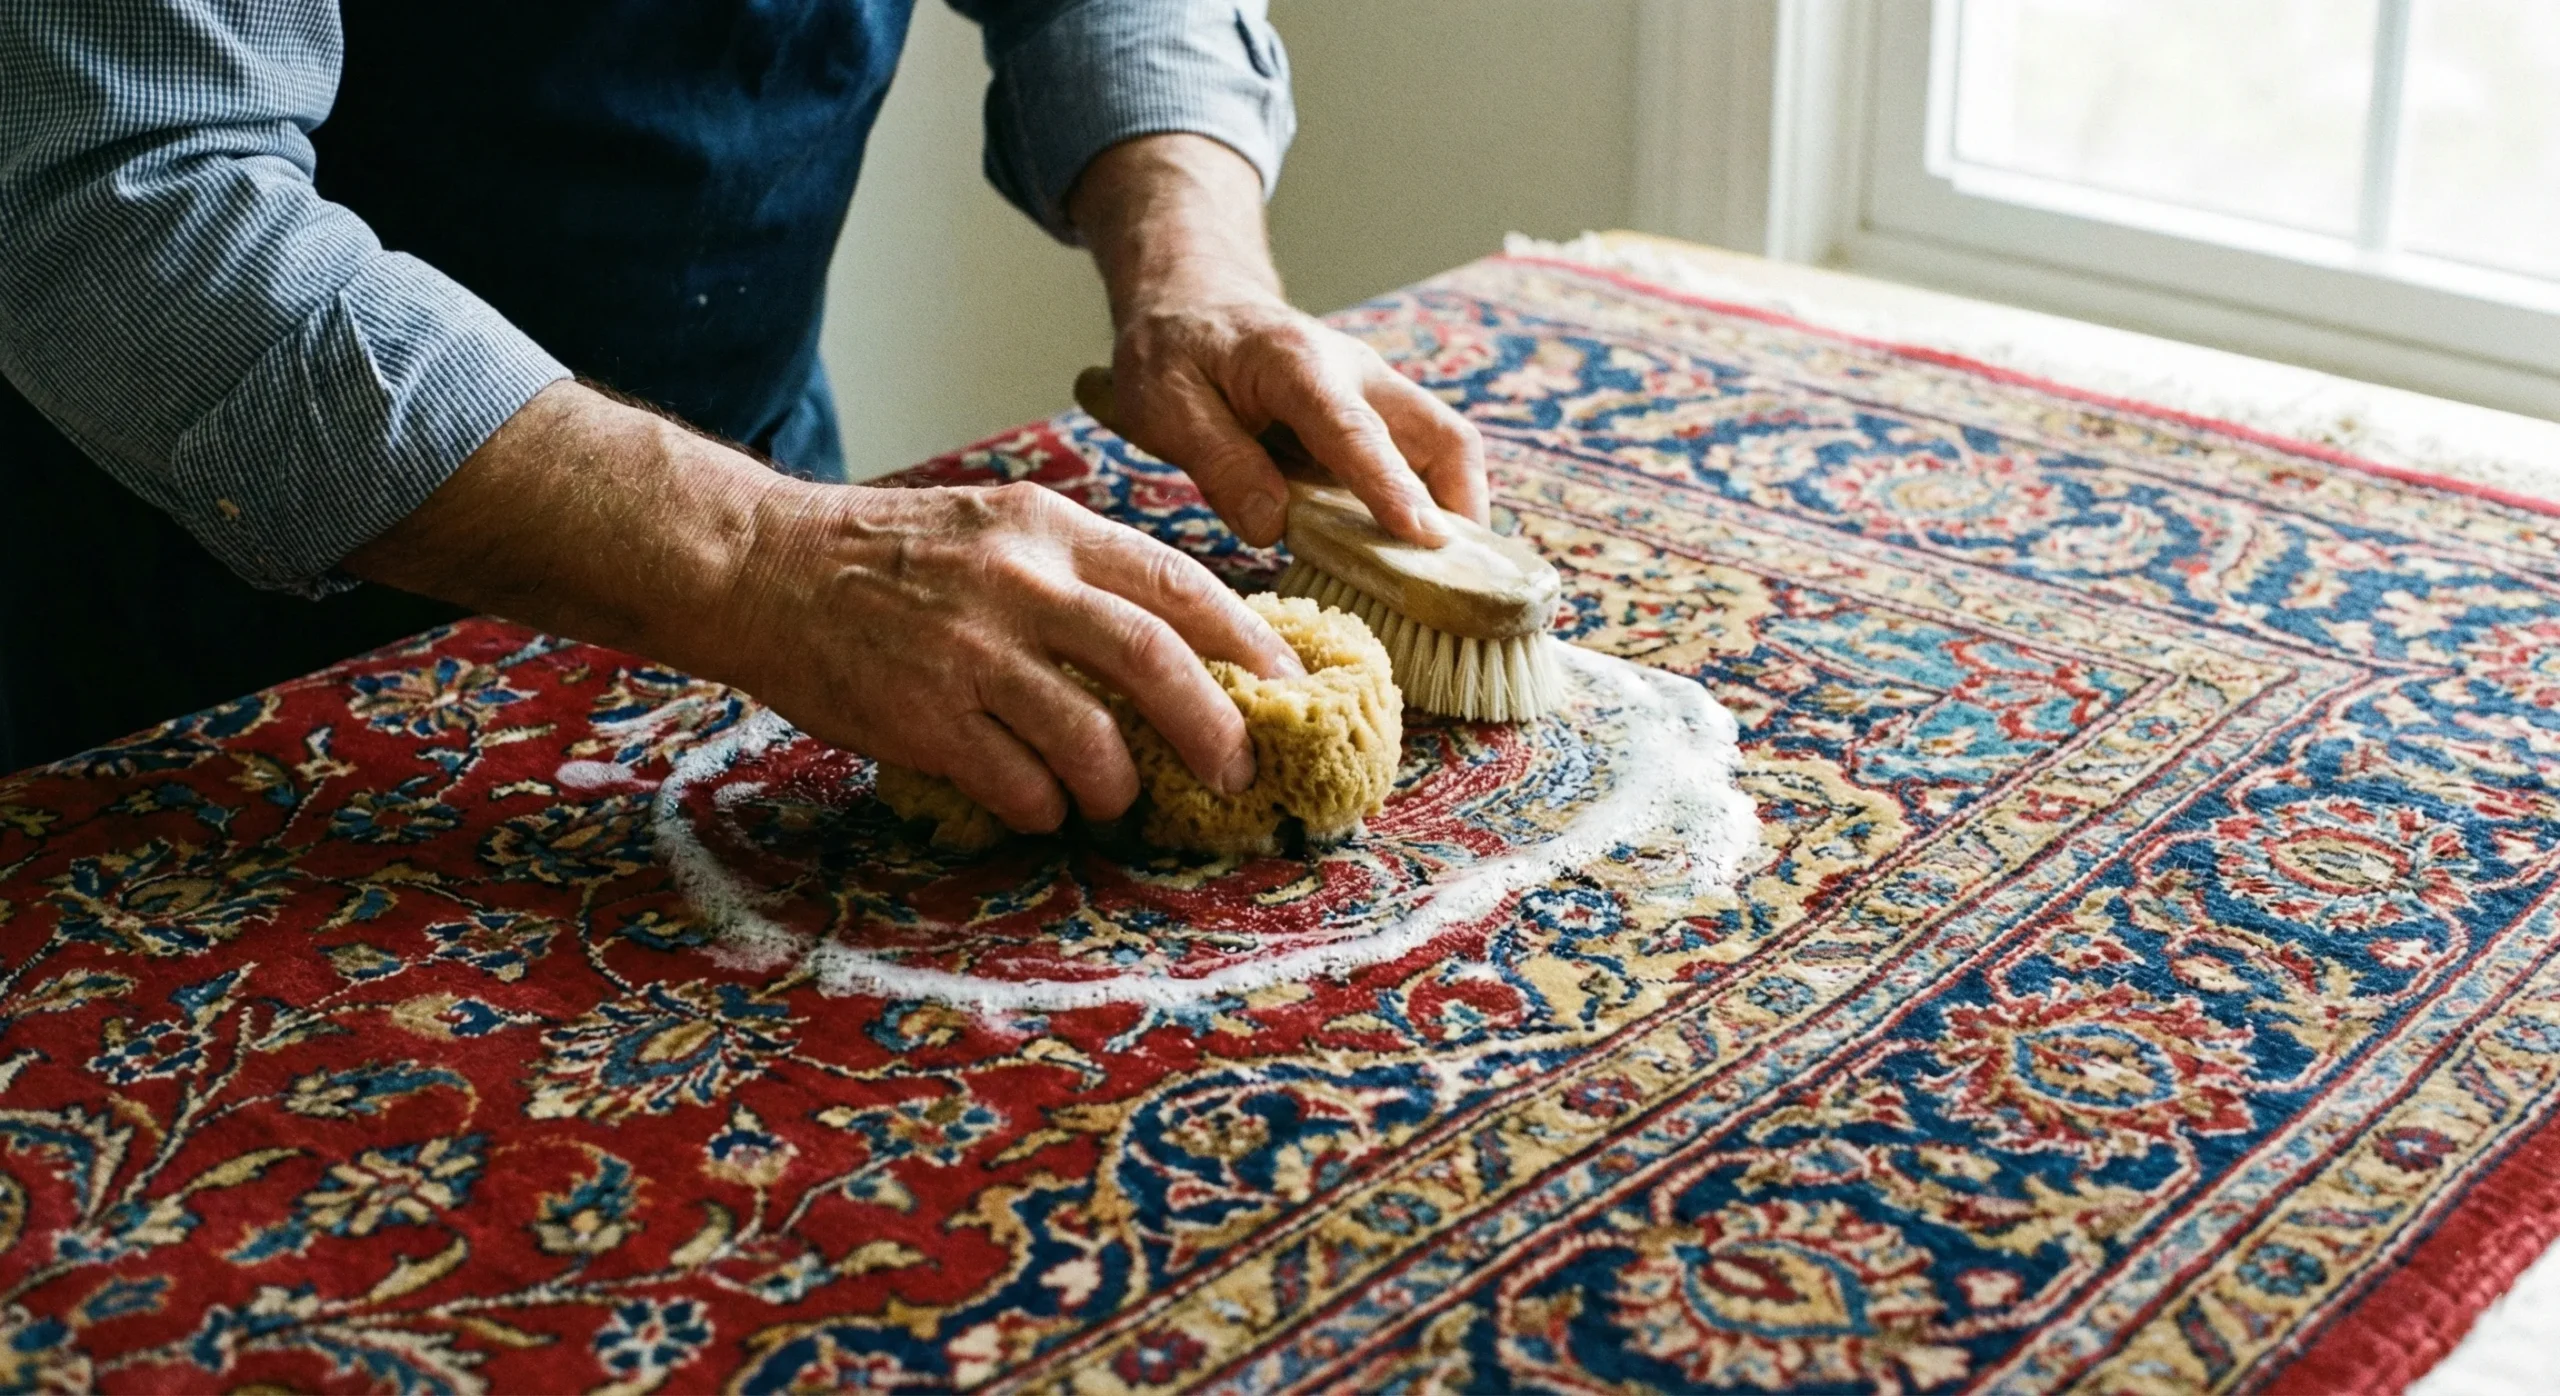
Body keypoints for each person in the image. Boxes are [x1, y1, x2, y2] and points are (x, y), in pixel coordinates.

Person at [0, 0, 1488, 834]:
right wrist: (766, 560)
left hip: (786, 554)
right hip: (164, 667)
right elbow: (124, 194)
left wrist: (1193, 264)